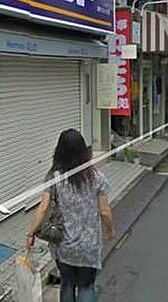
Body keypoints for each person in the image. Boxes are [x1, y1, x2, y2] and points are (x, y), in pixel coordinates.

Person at [26, 129, 116, 302]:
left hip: (64, 245)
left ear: (59, 151)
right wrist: (110, 230)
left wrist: (30, 234)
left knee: (67, 284)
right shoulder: (97, 178)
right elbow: (104, 211)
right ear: (83, 151)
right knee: (86, 286)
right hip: (89, 246)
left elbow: (43, 208)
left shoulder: (54, 177)